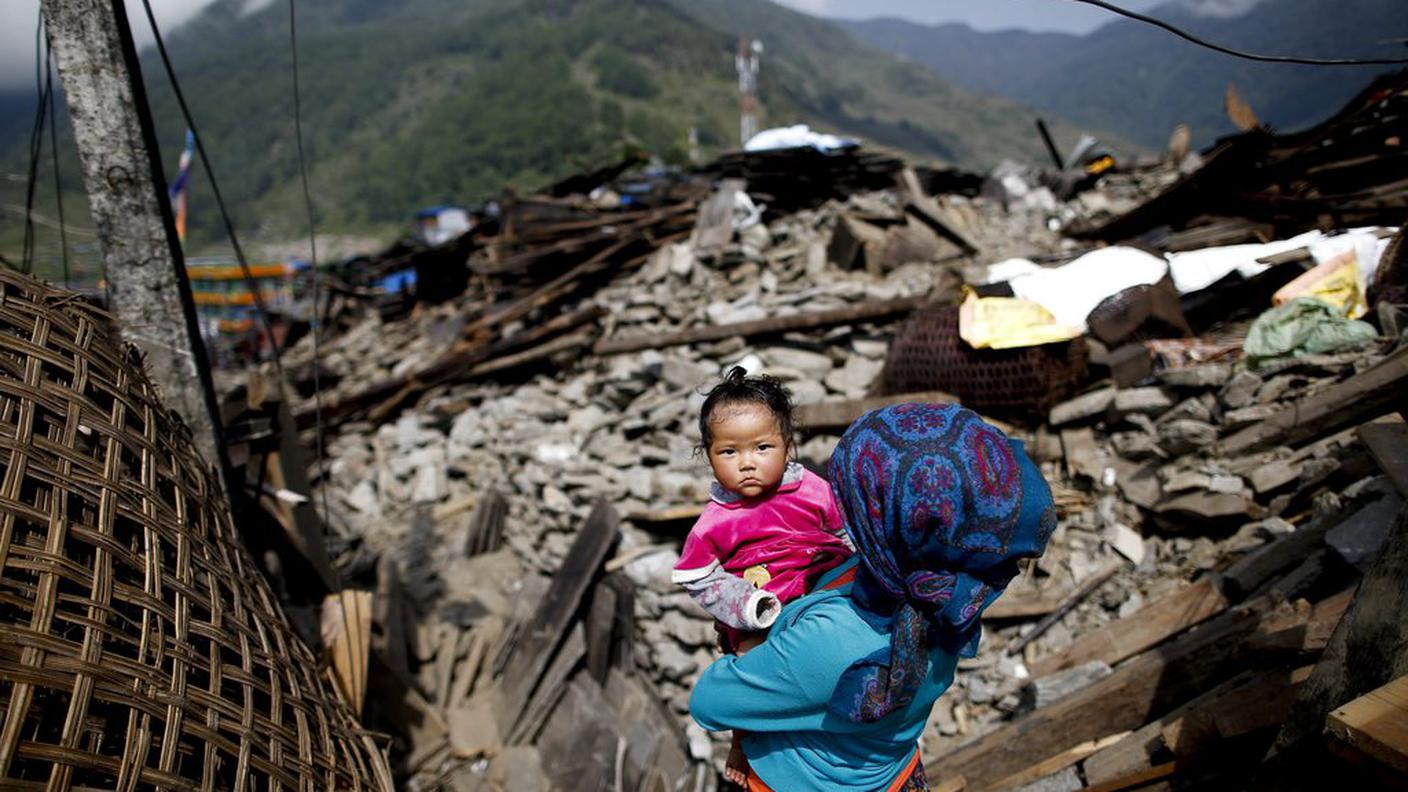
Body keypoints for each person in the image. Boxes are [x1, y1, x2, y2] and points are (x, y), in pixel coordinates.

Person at [690, 402, 1057, 791]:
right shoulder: (954, 594)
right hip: (892, 773)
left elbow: (711, 702)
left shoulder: (836, 641)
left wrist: (751, 640)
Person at [673, 366, 854, 783]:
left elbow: (848, 533)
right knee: (752, 671)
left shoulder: (812, 490)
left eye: (762, 447)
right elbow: (698, 576)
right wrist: (746, 604)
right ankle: (745, 744)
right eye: (729, 452)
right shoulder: (715, 520)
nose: (747, 464)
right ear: (708, 454)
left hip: (823, 589)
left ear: (788, 446)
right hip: (761, 613)